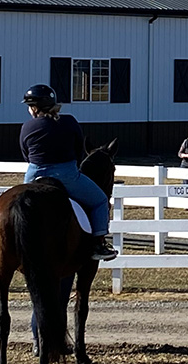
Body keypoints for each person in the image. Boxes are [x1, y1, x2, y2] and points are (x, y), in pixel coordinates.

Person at [19, 84, 117, 262]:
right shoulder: (69, 121)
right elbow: (79, 150)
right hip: (66, 174)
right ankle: (99, 243)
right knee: (100, 200)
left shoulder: (27, 127)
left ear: (34, 108)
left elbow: (26, 154)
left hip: (34, 174)